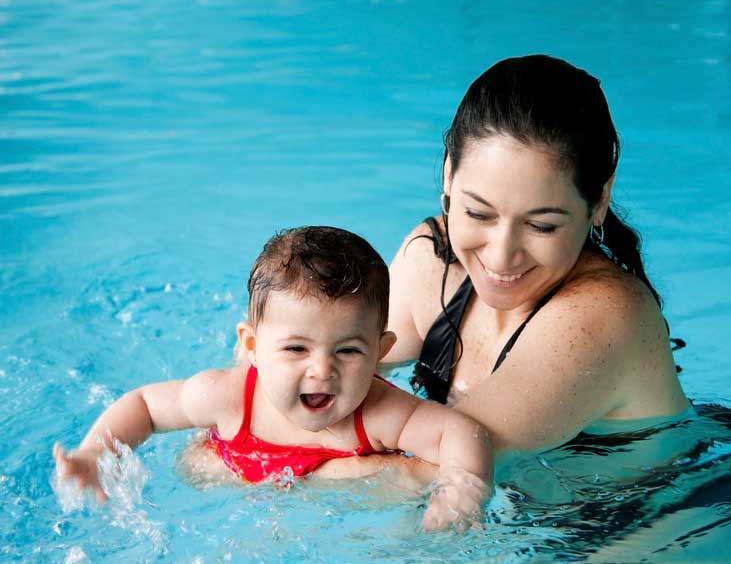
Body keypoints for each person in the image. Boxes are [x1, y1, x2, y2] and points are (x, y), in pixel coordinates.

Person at [53, 226, 491, 530]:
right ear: (252, 346)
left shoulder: (379, 413)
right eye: (297, 349)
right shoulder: (229, 397)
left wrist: (461, 492)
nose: (322, 370)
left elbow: (461, 432)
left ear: (381, 352)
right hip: (236, 460)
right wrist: (95, 452)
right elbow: (146, 406)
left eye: (348, 351)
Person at [383, 54, 690, 451]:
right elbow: (321, 377)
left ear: (599, 200)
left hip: (684, 491)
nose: (500, 256)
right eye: (478, 213)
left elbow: (442, 468)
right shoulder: (433, 261)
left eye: (541, 226)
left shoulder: (603, 317)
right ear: (448, 175)